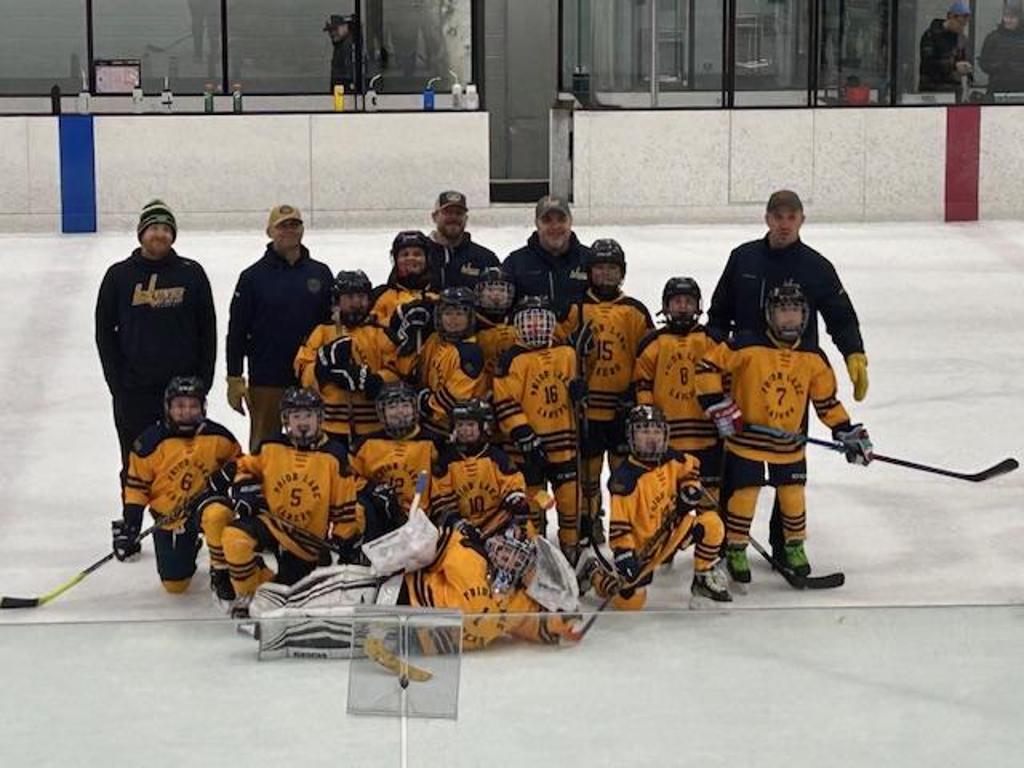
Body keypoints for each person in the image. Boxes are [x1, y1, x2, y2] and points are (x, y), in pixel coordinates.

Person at [706, 189, 868, 561]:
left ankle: (784, 545)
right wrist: (714, 357)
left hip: (794, 377)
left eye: (791, 217)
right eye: (778, 217)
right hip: (745, 374)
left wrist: (853, 351)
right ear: (767, 218)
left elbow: (840, 314)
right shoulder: (743, 257)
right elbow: (719, 312)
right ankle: (729, 542)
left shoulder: (816, 266)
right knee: (739, 467)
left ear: (801, 221)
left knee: (787, 465)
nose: (784, 224)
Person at [696, 283, 873, 586]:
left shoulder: (812, 356)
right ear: (770, 315)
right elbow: (706, 366)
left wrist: (845, 430)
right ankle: (736, 548)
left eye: (795, 312)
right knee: (745, 495)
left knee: (793, 496)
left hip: (788, 444)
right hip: (746, 442)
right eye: (783, 311)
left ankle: (794, 546)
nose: (789, 318)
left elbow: (826, 402)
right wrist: (718, 405)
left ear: (805, 316)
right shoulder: (746, 345)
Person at [215, 388, 380, 615]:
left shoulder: (335, 455)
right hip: (272, 524)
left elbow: (344, 507)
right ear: (286, 420)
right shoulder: (271, 446)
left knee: (291, 595)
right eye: (296, 416)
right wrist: (247, 489)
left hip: (305, 541)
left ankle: (267, 585)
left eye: (308, 415)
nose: (303, 423)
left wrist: (345, 542)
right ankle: (248, 597)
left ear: (320, 418)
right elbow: (245, 468)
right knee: (235, 538)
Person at [95, 199, 217, 487]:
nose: (159, 234)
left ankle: (184, 515)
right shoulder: (119, 276)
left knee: (185, 463)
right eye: (153, 228)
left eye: (165, 229)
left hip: (184, 393)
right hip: (135, 392)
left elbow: (207, 331)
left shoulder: (191, 273)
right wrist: (118, 384)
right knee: (136, 463)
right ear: (141, 233)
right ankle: (133, 514)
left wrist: (203, 382)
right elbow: (104, 333)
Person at [578, 405, 730, 609]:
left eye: (657, 431)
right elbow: (620, 526)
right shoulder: (624, 480)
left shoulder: (671, 458)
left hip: (673, 531)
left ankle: (702, 577)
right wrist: (624, 554)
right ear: (631, 436)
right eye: (644, 431)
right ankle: (594, 573)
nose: (652, 438)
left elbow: (691, 467)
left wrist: (690, 487)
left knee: (712, 524)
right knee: (630, 603)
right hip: (644, 550)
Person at [113, 377, 241, 599]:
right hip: (170, 517)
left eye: (193, 405)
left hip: (206, 508)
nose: (186, 412)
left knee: (217, 515)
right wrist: (131, 525)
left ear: (203, 407)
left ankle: (221, 571)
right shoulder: (150, 442)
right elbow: (136, 487)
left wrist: (229, 474)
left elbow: (242, 465)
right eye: (180, 406)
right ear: (168, 407)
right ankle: (189, 546)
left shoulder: (219, 437)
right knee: (175, 585)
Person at [560, 238, 653, 543]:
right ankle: (590, 520)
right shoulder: (575, 307)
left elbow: (647, 357)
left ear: (622, 272)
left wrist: (636, 393)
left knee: (622, 474)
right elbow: (558, 350)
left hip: (620, 409)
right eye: (600, 267)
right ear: (589, 271)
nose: (606, 274)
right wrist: (572, 353)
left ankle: (623, 524)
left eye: (612, 268)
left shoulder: (635, 311)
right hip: (586, 409)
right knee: (587, 474)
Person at [226, 204, 333, 452]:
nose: (289, 230)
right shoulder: (252, 277)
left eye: (295, 224)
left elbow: (332, 326)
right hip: (267, 380)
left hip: (312, 379)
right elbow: (237, 331)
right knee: (264, 448)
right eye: (282, 226)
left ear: (302, 230)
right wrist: (234, 377)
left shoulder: (321, 273)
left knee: (316, 447)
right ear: (270, 232)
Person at [493, 296, 587, 559]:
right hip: (526, 447)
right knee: (533, 501)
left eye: (540, 319)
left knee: (570, 499)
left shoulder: (567, 353)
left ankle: (571, 548)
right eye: (529, 320)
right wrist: (521, 432)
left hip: (564, 444)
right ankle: (535, 549)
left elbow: (576, 391)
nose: (535, 326)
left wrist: (581, 394)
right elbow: (505, 401)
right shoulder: (511, 360)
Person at [634, 277, 723, 501]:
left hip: (707, 438)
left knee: (708, 501)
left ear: (698, 306)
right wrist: (651, 425)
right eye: (677, 302)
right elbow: (642, 383)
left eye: (688, 302)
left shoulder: (712, 341)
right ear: (666, 306)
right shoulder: (653, 343)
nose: (683, 307)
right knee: (667, 501)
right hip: (667, 441)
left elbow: (727, 380)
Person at [293, 270, 400, 450]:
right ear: (337, 301)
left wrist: (374, 381)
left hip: (374, 425)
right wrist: (323, 371)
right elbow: (302, 371)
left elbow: (397, 370)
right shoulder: (322, 332)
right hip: (329, 425)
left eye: (361, 296)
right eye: (350, 297)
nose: (356, 302)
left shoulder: (380, 333)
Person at [431, 399, 531, 539]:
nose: (465, 430)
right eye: (460, 425)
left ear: (482, 427)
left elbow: (513, 485)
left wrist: (515, 499)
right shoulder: (445, 461)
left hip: (497, 524)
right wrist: (457, 523)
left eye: (471, 425)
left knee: (524, 536)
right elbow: (441, 500)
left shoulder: (497, 457)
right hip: (462, 530)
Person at [349, 381, 440, 514]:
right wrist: (371, 490)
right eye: (392, 407)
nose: (399, 412)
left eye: (405, 405)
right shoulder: (366, 444)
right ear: (382, 412)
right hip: (380, 515)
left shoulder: (434, 442)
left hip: (422, 519)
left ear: (414, 409)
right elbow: (349, 478)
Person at [503, 196, 592, 319]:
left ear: (570, 221)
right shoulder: (515, 263)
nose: (555, 227)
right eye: (547, 220)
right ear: (537, 224)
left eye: (561, 220)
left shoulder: (589, 260)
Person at [428, 191, 500, 289]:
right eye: (448, 212)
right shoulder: (419, 255)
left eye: (459, 213)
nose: (454, 217)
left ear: (466, 218)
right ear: (434, 217)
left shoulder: (486, 259)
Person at [370, 230, 438, 328]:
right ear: (395, 260)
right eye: (404, 254)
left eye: (417, 254)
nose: (411, 258)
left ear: (427, 259)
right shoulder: (379, 295)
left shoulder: (440, 292)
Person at [919, 1, 973, 93]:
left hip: (954, 88)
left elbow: (964, 58)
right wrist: (953, 66)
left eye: (964, 25)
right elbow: (928, 63)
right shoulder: (931, 35)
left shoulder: (961, 39)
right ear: (951, 17)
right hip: (933, 88)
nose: (962, 28)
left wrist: (966, 68)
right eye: (960, 23)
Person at [980, 2, 1024, 94]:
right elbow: (983, 63)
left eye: (1012, 17)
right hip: (997, 87)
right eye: (1006, 16)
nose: (1008, 20)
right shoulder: (993, 38)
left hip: (1021, 88)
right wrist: (998, 67)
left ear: (1019, 19)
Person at [324, 14, 359, 92]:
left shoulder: (349, 47)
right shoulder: (339, 46)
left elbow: (348, 77)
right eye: (330, 31)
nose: (332, 33)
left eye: (335, 29)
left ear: (345, 27)